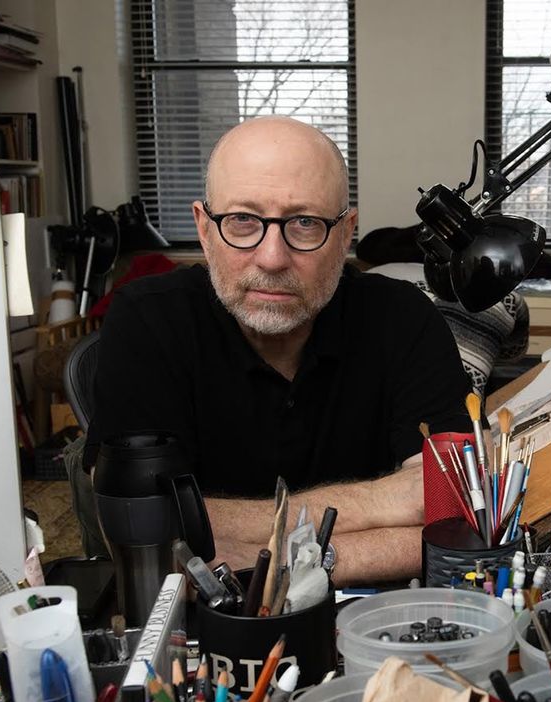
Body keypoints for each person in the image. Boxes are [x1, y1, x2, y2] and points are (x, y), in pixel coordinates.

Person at [84, 116, 472, 585]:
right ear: (204, 229)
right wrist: (385, 503)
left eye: (305, 223)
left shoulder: (405, 317)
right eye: (242, 221)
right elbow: (139, 539)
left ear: (346, 233)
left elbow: (455, 518)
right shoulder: (146, 320)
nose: (271, 258)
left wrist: (252, 557)